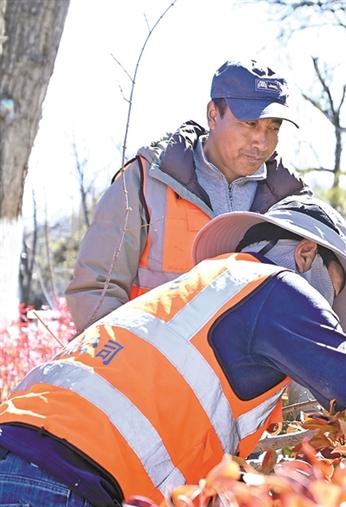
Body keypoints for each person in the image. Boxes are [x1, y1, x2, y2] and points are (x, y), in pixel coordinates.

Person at [0, 196, 346, 507]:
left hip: (26, 455)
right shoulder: (278, 287)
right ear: (306, 254)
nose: (329, 308)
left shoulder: (203, 291)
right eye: (334, 288)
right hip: (58, 476)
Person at [65, 59, 310, 332]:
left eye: (273, 128)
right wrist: (128, 356)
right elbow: (96, 289)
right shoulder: (146, 180)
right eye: (250, 123)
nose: (262, 141)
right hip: (146, 357)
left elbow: (311, 309)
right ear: (213, 115)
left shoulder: (293, 205)